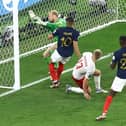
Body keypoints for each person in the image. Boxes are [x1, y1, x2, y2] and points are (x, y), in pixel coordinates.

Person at [96, 36, 126, 121]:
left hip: (121, 77)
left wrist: (111, 62)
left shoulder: (117, 53)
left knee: (111, 94)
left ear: (121, 42)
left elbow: (112, 67)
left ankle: (104, 113)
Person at [48, 17, 81, 88]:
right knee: (61, 63)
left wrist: (51, 33)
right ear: (73, 23)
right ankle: (57, 79)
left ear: (66, 23)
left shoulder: (60, 30)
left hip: (60, 51)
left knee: (51, 62)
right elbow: (75, 46)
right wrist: (79, 57)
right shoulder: (76, 33)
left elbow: (50, 37)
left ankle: (55, 80)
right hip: (68, 54)